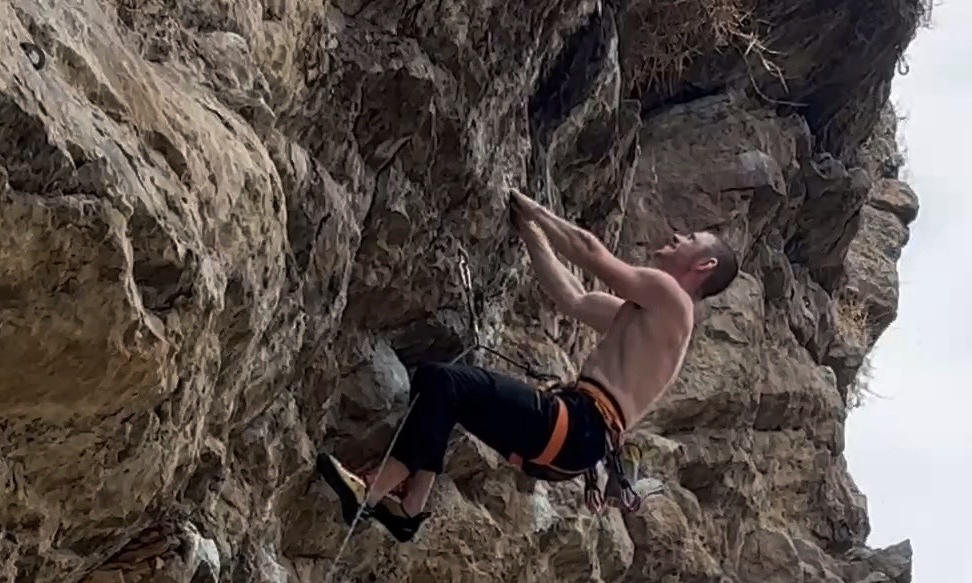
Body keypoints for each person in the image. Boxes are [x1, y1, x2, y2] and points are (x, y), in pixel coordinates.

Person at [315, 190, 737, 542]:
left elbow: (591, 253)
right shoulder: (654, 319)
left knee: (445, 382)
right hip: (575, 444)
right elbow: (572, 297)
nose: (679, 235)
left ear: (704, 265)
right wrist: (530, 232)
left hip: (578, 424)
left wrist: (536, 209)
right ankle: (409, 506)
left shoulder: (673, 300)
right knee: (439, 388)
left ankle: (372, 493)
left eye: (692, 237)